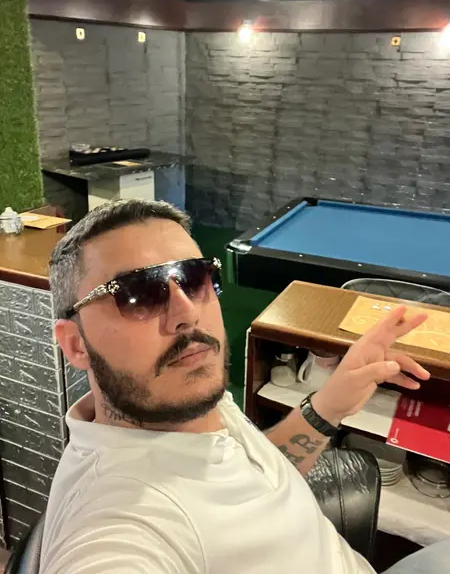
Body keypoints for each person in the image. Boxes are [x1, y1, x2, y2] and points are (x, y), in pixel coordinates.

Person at [39, 199, 446, 574]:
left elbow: (260, 473)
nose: (187, 313)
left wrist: (328, 407)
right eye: (139, 294)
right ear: (75, 344)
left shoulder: (180, 400)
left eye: (194, 279)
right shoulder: (114, 521)